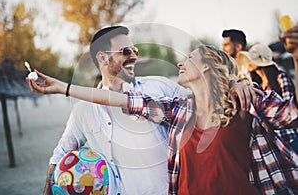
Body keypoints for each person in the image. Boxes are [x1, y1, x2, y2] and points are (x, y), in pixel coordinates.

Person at [28, 41, 298, 194]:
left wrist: (295, 57)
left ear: (208, 66)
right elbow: (121, 99)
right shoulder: (178, 110)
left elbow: (293, 114)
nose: (180, 63)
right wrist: (62, 87)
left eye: (189, 57)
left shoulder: (244, 103)